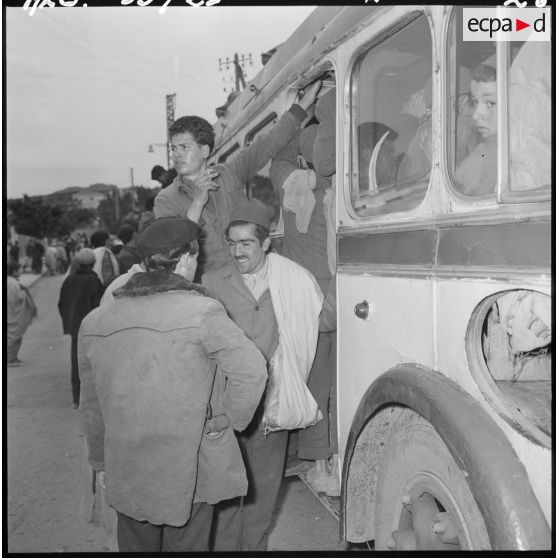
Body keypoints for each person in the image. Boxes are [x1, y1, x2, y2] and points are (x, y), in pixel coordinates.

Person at [78, 216, 267, 552]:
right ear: (184, 260)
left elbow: (91, 405)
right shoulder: (202, 312)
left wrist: (100, 463)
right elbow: (252, 371)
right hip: (189, 467)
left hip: (127, 466)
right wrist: (225, 424)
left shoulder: (95, 321)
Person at [203, 199, 324, 551]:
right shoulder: (212, 281)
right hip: (226, 405)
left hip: (272, 405)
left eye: (246, 243)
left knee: (263, 496)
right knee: (226, 496)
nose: (237, 252)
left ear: (266, 242)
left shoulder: (291, 280)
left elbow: (318, 319)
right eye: (232, 243)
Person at [153, 80, 322, 279]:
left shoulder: (230, 172)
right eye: (174, 148)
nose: (176, 155)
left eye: (184, 147)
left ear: (205, 150)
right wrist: (198, 202)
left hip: (255, 277)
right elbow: (172, 251)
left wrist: (303, 105)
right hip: (211, 287)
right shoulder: (165, 200)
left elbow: (266, 144)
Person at [269, 88, 338, 495]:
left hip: (300, 301)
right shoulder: (334, 185)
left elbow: (277, 157)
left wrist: (301, 114)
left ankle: (314, 460)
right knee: (330, 379)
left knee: (308, 378)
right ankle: (331, 459)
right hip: (335, 296)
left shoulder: (288, 184)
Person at [57, 248, 104, 408]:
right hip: (90, 328)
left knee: (76, 363)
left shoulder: (69, 280)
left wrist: (69, 322)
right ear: (93, 264)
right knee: (91, 364)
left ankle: (77, 399)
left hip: (74, 327)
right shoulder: (94, 281)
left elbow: (62, 304)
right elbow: (98, 306)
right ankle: (91, 399)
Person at [454, 64, 497, 196]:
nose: (476, 115)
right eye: (475, 102)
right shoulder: (484, 149)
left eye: (491, 103)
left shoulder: (495, 153)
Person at [7, 261, 37, 367]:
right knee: (12, 337)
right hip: (12, 315)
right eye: (19, 269)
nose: (21, 271)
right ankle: (9, 360)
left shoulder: (12, 281)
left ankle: (13, 358)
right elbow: (16, 298)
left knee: (15, 337)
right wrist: (24, 292)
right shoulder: (11, 283)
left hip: (11, 314)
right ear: (14, 271)